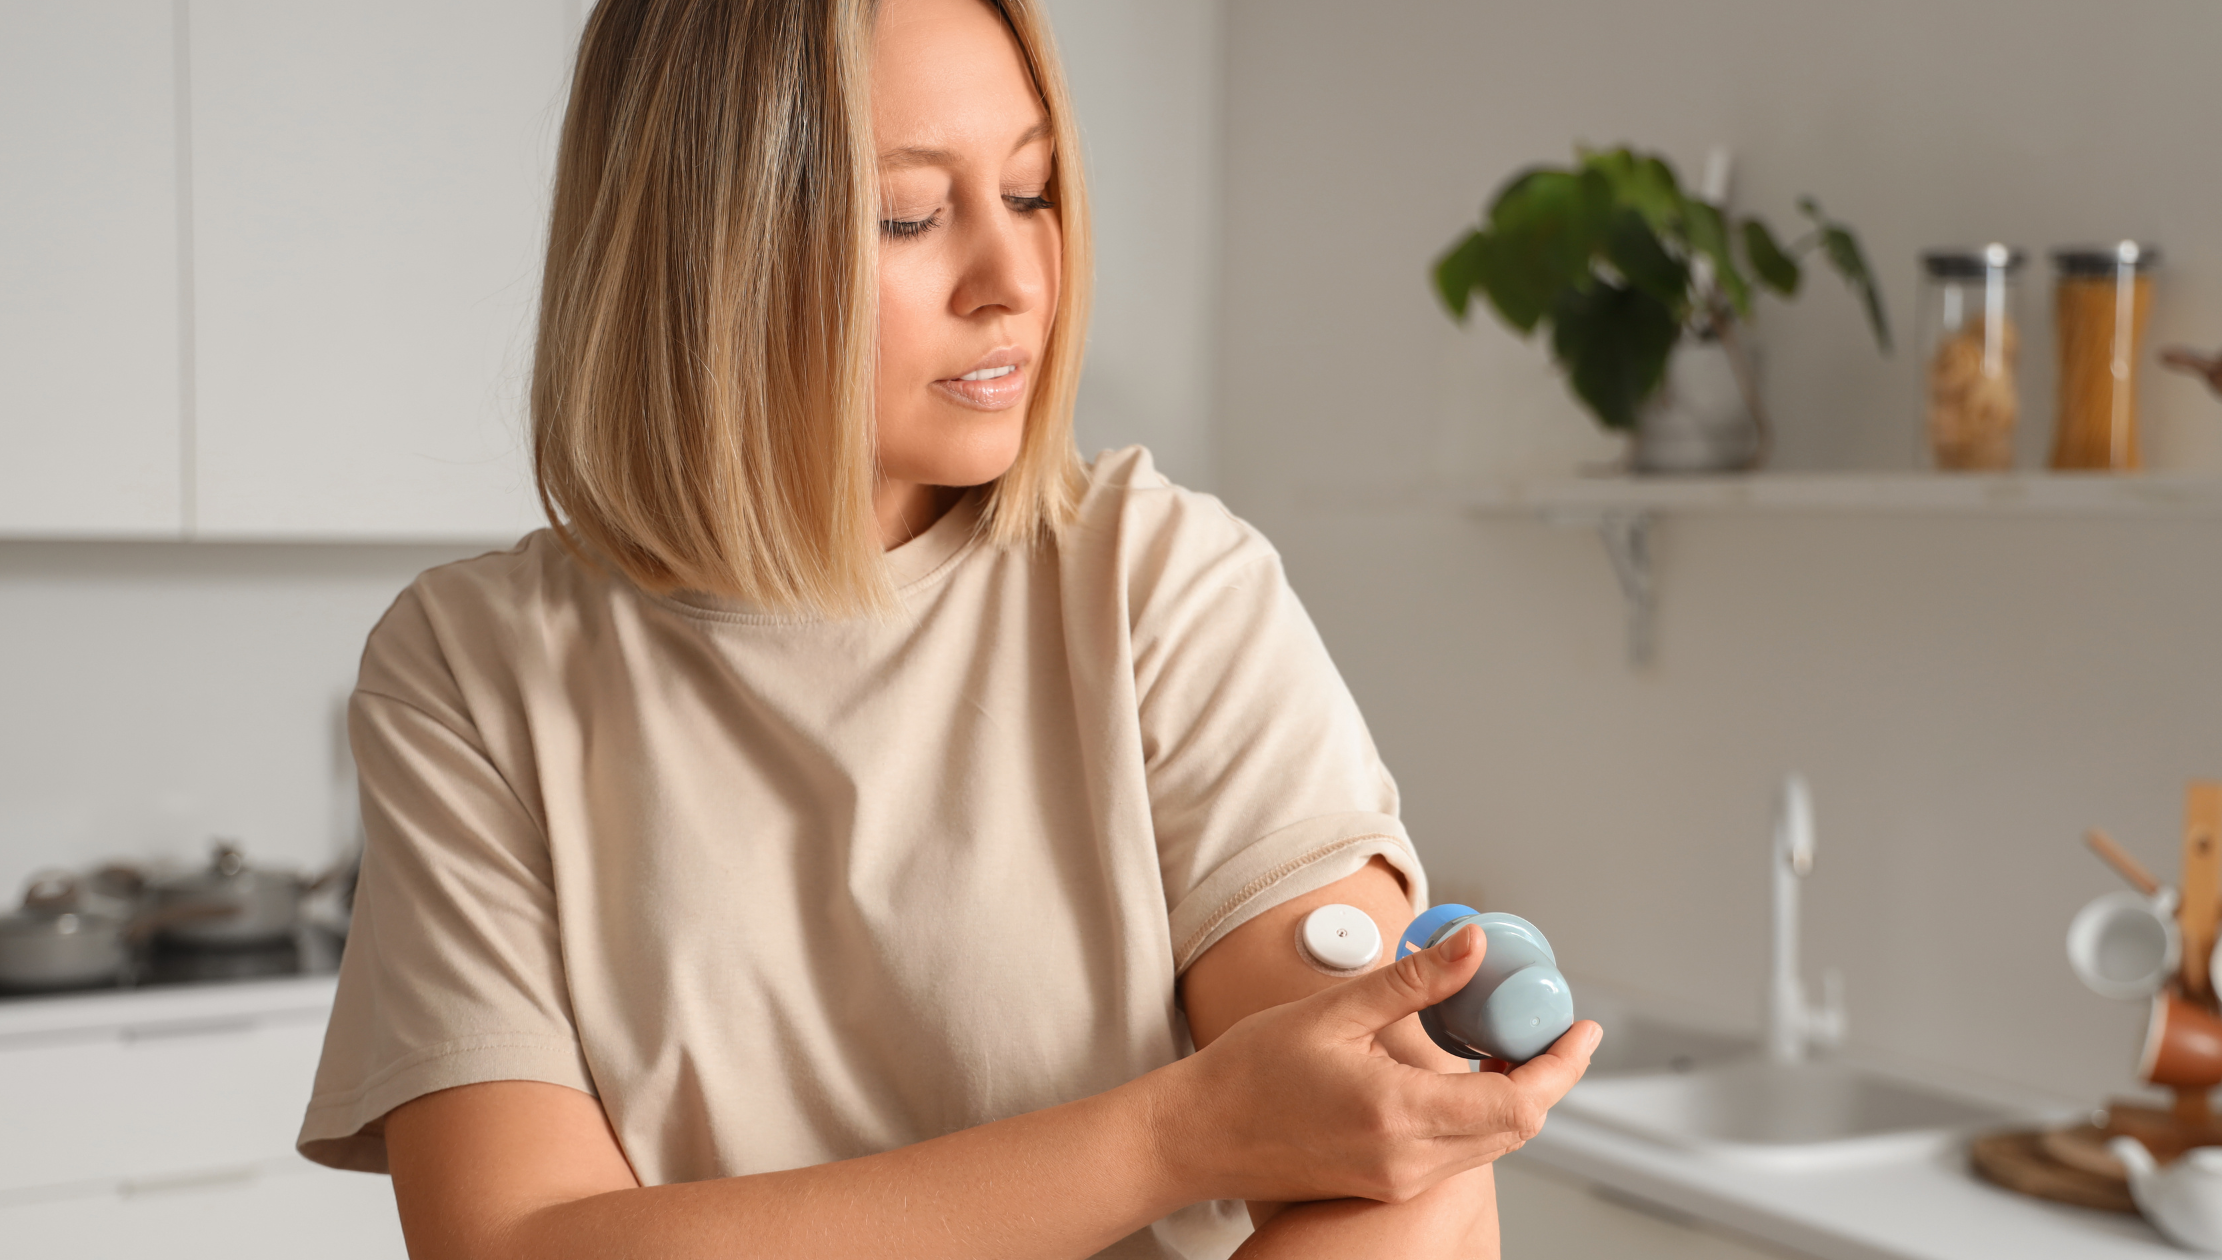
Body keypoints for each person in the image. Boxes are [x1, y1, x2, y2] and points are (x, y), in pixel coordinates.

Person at [294, 0, 1602, 1256]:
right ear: (700, 246)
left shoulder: (1158, 584)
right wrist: (1177, 1138)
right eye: (907, 214)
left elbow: (1390, 1168)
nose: (1013, 280)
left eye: (1032, 192)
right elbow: (515, 1246)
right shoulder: (472, 670)